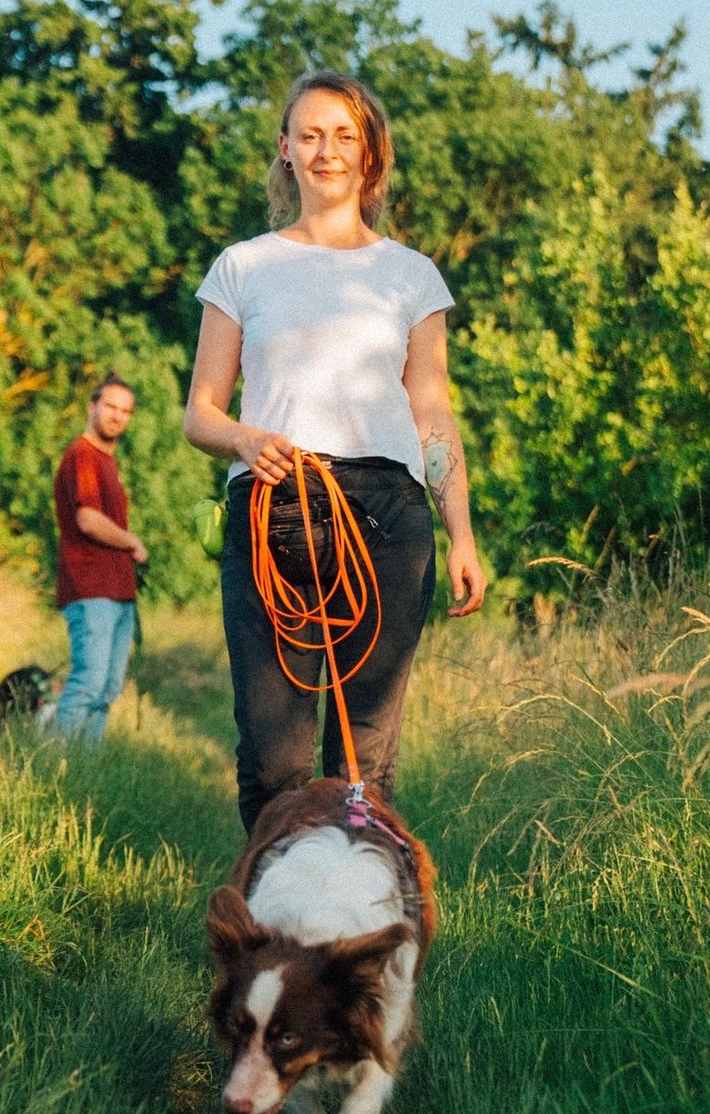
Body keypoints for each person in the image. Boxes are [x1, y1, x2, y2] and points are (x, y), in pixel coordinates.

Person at [183, 69, 486, 830]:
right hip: (273, 506)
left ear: (369, 153)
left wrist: (461, 533)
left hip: (387, 518)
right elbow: (200, 413)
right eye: (310, 135)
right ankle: (277, 899)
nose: (327, 151)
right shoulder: (243, 266)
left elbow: (432, 412)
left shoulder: (410, 276)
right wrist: (245, 437)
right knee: (273, 760)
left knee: (363, 761)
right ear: (286, 149)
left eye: (344, 136)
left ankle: (355, 902)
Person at [52, 371, 147, 744]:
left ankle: (85, 768)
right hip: (90, 588)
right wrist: (132, 542)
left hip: (118, 590)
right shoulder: (83, 454)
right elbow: (88, 520)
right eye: (110, 406)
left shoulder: (108, 461)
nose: (117, 416)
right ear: (92, 407)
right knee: (88, 684)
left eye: (125, 411)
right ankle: (56, 764)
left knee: (107, 689)